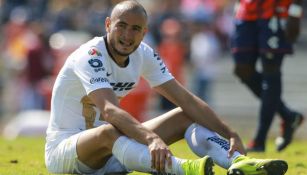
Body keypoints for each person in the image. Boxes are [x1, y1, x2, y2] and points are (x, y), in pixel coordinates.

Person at [45, 1, 288, 175]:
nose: (128, 35)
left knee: (185, 115)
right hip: (66, 154)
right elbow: (108, 110)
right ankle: (187, 169)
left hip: (115, 153)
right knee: (108, 130)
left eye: (136, 29)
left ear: (145, 32)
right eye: (122, 25)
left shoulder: (143, 53)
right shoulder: (90, 55)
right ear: (108, 24)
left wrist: (231, 133)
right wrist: (151, 139)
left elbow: (186, 99)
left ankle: (239, 163)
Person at [231, 0, 304, 152]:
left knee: (270, 70)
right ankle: (289, 116)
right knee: (242, 69)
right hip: (247, 10)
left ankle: (259, 139)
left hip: (276, 10)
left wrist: (296, 11)